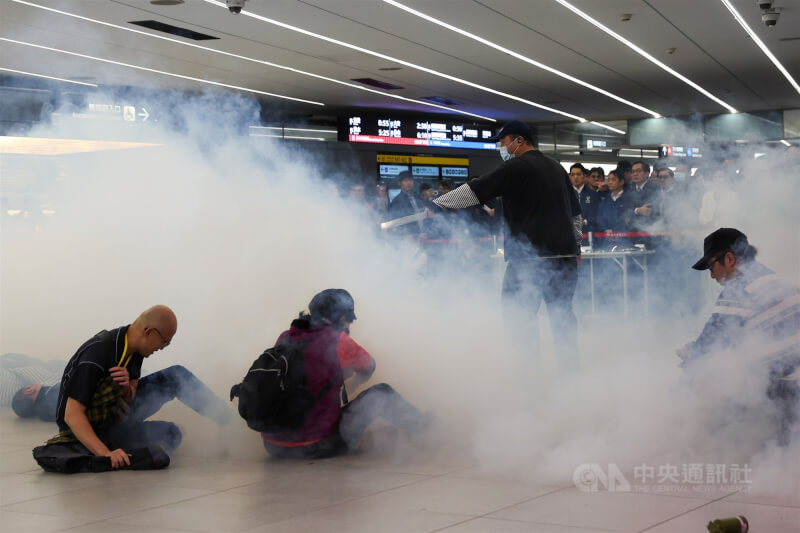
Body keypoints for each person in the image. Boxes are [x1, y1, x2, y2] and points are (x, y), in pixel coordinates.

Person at [433, 120, 583, 372]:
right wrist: (575, 247)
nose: (501, 149)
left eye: (502, 143)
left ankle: (529, 377)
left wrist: (438, 204)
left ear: (518, 141)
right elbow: (576, 214)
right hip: (564, 257)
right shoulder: (556, 167)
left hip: (530, 261)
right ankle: (571, 375)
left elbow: (474, 190)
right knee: (562, 316)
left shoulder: (516, 166)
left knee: (519, 318)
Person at [259, 289, 431, 459]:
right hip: (316, 446)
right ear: (342, 318)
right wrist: (352, 383)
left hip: (273, 446)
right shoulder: (337, 340)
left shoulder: (286, 336)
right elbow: (369, 367)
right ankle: (427, 431)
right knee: (382, 393)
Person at [677, 228, 800, 445]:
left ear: (729, 259)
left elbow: (711, 341)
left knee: (700, 375)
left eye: (711, 266)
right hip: (791, 382)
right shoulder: (773, 279)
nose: (712, 275)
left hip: (788, 392)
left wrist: (691, 354)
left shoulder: (740, 288)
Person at [42, 305, 180, 470]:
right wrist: (105, 453)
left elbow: (132, 390)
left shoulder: (136, 351)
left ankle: (221, 421)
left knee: (173, 430)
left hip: (115, 419)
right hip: (85, 428)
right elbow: (71, 415)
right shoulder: (97, 353)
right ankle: (102, 454)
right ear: (149, 332)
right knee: (158, 454)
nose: (162, 348)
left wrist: (125, 389)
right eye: (165, 342)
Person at [12, 365, 232, 426]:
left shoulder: (45, 411)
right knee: (175, 375)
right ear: (29, 391)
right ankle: (229, 422)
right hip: (118, 410)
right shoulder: (52, 393)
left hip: (113, 415)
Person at [388, 171, 425, 237]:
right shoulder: (396, 201)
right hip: (409, 238)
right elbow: (395, 223)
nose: (408, 183)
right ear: (399, 183)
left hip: (423, 236)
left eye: (410, 180)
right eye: (405, 180)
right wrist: (405, 235)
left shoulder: (419, 197)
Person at [570, 163, 600, 236]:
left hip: (588, 233)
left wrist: (585, 221)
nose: (575, 177)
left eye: (578, 174)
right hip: (570, 234)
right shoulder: (566, 194)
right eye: (573, 175)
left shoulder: (593, 194)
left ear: (584, 176)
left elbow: (598, 213)